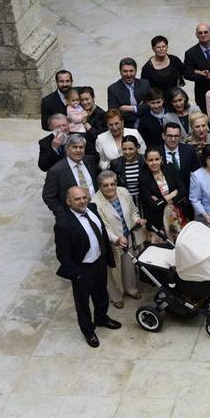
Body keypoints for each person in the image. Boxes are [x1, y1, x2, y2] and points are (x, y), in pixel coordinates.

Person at [54, 186, 121, 348]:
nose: (82, 201)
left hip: (99, 262)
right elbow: (63, 255)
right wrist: (76, 274)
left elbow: (102, 234)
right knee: (83, 303)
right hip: (82, 269)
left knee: (101, 293)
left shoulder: (92, 208)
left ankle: (102, 318)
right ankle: (88, 331)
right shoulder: (63, 224)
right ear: (69, 202)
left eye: (84, 197)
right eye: (77, 199)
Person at [91, 170, 145, 308]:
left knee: (129, 266)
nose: (110, 188)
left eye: (112, 184)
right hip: (111, 243)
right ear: (99, 186)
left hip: (127, 237)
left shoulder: (123, 192)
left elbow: (133, 211)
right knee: (113, 270)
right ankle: (116, 297)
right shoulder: (96, 203)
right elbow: (104, 227)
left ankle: (131, 289)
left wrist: (137, 219)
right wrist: (116, 239)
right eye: (105, 185)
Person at [139, 147, 188, 238]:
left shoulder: (170, 169)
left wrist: (164, 201)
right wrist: (171, 195)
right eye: (150, 160)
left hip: (177, 215)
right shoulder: (143, 178)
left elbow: (182, 189)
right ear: (146, 161)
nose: (154, 163)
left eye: (157, 159)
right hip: (159, 221)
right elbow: (152, 205)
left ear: (161, 159)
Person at [107, 57, 150, 128]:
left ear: (136, 71)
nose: (128, 74)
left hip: (145, 123)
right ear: (120, 71)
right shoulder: (113, 89)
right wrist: (140, 109)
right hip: (126, 126)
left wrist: (131, 108)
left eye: (131, 71)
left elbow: (150, 105)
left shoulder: (144, 84)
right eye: (125, 71)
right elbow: (114, 113)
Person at [160, 121, 200, 194]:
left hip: (187, 193)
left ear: (180, 136)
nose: (173, 139)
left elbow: (197, 172)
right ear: (163, 136)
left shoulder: (189, 150)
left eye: (176, 136)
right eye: (170, 136)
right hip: (166, 195)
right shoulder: (157, 152)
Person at [108, 135, 145, 209]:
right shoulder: (115, 164)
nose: (127, 152)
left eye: (131, 149)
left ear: (137, 148)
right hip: (124, 202)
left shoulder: (144, 161)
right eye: (124, 149)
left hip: (144, 201)